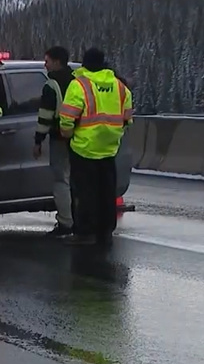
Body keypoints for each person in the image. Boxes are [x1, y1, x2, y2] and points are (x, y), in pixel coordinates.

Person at [58, 47, 132, 246]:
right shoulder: (119, 85)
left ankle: (84, 231)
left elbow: (67, 116)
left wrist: (67, 134)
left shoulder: (79, 85)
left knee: (84, 191)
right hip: (109, 147)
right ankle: (106, 229)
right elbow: (127, 115)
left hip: (84, 146)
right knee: (106, 190)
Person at [32, 46, 76, 237]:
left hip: (59, 137)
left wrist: (38, 140)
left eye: (47, 61)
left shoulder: (52, 85)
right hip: (80, 137)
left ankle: (66, 222)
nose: (45, 64)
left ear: (57, 62)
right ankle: (80, 219)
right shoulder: (78, 81)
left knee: (61, 180)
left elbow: (45, 116)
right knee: (76, 180)